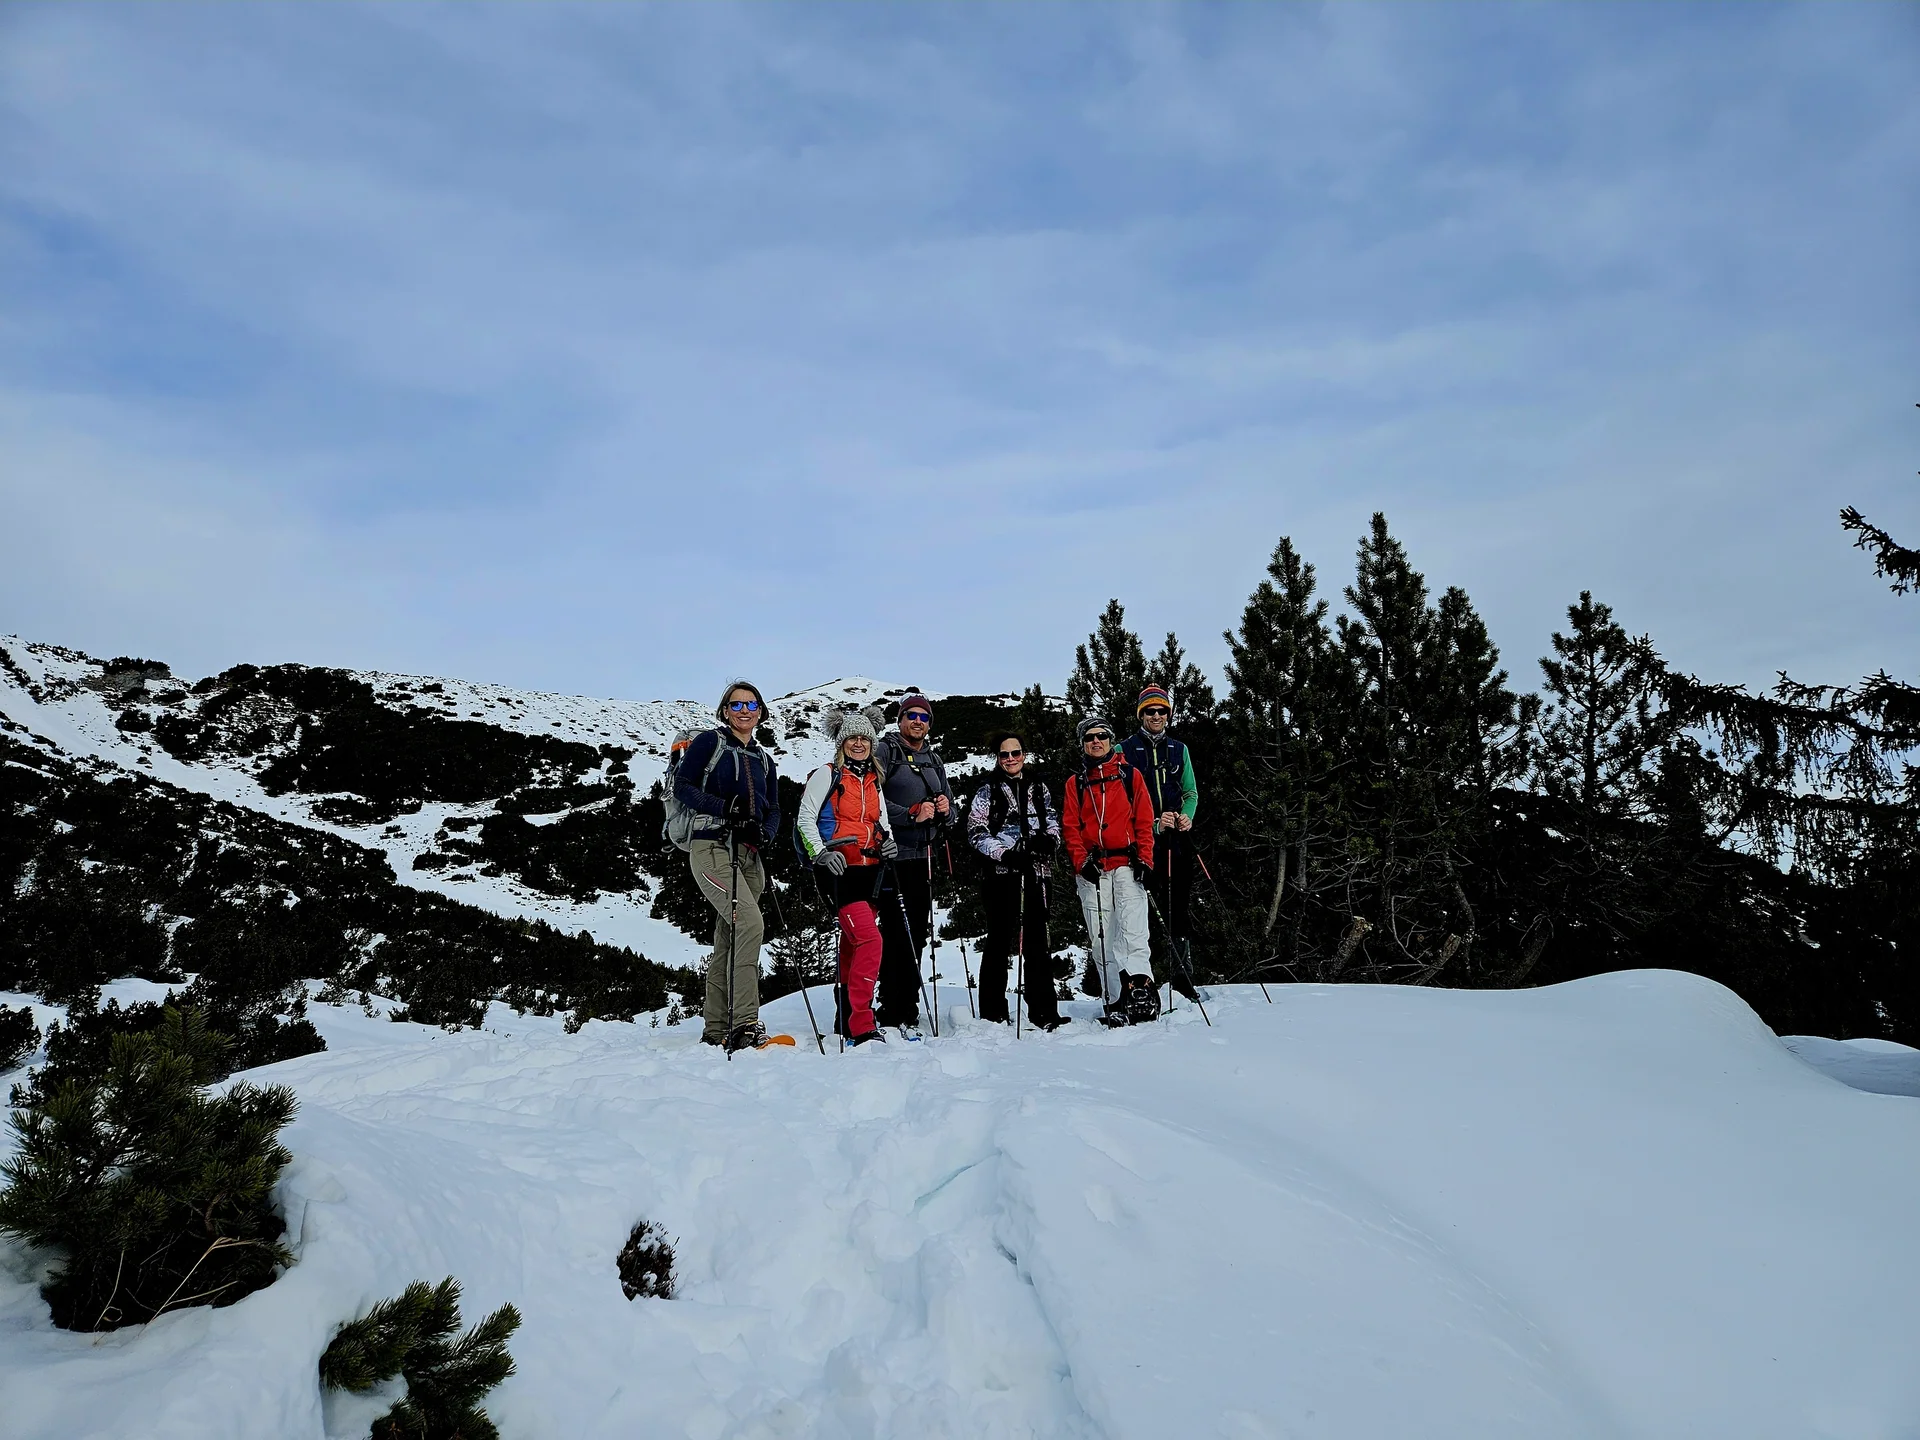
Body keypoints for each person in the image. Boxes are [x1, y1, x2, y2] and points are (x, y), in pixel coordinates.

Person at [674, 680, 782, 1052]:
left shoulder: (765, 759)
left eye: (751, 705)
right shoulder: (709, 743)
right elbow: (682, 786)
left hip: (749, 856)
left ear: (761, 712)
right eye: (736, 705)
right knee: (750, 923)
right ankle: (745, 1024)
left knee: (730, 937)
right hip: (712, 848)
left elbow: (775, 809)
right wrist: (726, 809)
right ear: (724, 711)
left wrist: (765, 832)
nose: (744, 711)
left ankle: (716, 1026)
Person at [794, 709, 899, 1047]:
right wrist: (820, 855)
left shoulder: (873, 779)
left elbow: (880, 823)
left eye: (865, 738)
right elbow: (805, 818)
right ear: (841, 743)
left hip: (871, 870)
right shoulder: (827, 775)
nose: (859, 743)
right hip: (837, 871)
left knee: (853, 944)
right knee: (871, 940)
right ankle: (863, 1023)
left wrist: (889, 844)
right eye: (852, 737)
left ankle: (845, 1019)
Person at [1062, 715, 1159, 1025]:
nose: (1096, 741)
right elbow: (1070, 828)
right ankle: (1114, 998)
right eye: (1089, 737)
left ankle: (1141, 991)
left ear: (1109, 739)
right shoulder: (1075, 783)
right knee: (1102, 936)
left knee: (1133, 931)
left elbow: (1144, 821)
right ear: (1083, 743)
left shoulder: (1130, 777)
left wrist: (1146, 859)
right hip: (1094, 869)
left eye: (1101, 735)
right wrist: (1081, 861)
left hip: (1127, 865)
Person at [966, 731, 1066, 1031]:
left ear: (1024, 754)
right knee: (998, 940)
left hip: (1036, 872)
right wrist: (1004, 854)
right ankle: (993, 1012)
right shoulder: (987, 790)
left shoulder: (1038, 787)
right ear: (997, 758)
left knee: (1037, 941)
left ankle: (1044, 1010)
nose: (1011, 759)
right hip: (1001, 874)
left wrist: (1050, 842)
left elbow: (1052, 821)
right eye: (1004, 754)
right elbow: (975, 831)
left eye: (1016, 753)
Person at [873, 692, 954, 1030]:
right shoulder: (886, 750)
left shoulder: (933, 759)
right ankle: (890, 1005)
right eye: (911, 715)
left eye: (923, 717)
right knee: (894, 932)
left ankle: (907, 1004)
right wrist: (910, 813)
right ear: (900, 720)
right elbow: (870, 800)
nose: (917, 721)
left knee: (916, 934)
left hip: (924, 857)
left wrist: (947, 810)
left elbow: (950, 802)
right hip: (892, 857)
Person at [1121, 684, 1201, 1002]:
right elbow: (1117, 802)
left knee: (1178, 909)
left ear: (1168, 714)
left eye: (1162, 711)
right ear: (1141, 714)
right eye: (1150, 711)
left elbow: (1190, 792)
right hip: (1140, 844)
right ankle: (1141, 980)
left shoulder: (1178, 749)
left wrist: (1186, 815)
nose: (1156, 716)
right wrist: (1152, 823)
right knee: (1138, 915)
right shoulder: (1122, 750)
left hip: (1176, 842)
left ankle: (1182, 978)